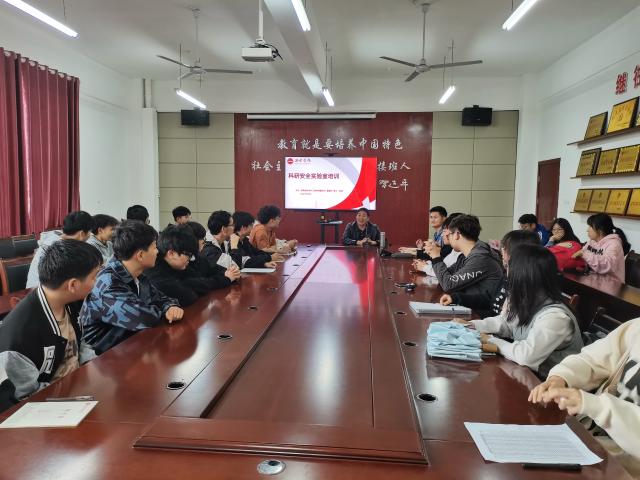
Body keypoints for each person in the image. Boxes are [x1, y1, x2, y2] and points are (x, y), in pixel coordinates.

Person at [529, 318, 640, 478]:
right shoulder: (636, 327)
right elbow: (593, 359)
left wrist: (595, 406)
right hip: (588, 439)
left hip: (624, 468)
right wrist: (561, 377)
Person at [0, 240, 102, 409]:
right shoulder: (19, 337)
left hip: (80, 386)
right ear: (73, 285)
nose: (97, 282)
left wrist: (92, 368)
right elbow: (27, 395)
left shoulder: (72, 300)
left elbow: (82, 342)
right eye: (94, 277)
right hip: (49, 406)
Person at [467, 245, 582, 377]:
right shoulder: (529, 299)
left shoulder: (556, 317)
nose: (506, 273)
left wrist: (491, 340)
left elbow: (526, 356)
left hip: (549, 383)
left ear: (523, 275)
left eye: (509, 267)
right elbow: (507, 324)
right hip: (528, 376)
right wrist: (471, 326)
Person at [80, 221, 183, 355]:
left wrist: (170, 306)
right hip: (99, 356)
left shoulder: (136, 275)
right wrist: (164, 311)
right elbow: (144, 318)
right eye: (154, 247)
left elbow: (160, 298)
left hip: (128, 345)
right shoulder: (109, 283)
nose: (157, 251)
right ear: (140, 255)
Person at [439, 229, 539, 318]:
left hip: (495, 329)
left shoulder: (527, 287)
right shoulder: (508, 277)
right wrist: (455, 298)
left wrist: (475, 324)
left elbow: (506, 324)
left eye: (506, 248)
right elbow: (489, 299)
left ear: (522, 252)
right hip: (488, 323)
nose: (502, 251)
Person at [146, 225, 236, 307]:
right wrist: (224, 279)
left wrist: (187, 284)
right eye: (188, 255)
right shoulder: (154, 268)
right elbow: (188, 296)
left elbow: (197, 278)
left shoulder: (180, 264)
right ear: (171, 253)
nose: (190, 258)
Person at [426, 214, 504, 298]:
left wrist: (436, 257)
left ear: (457, 234)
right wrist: (434, 255)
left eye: (450, 234)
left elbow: (448, 285)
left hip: (479, 306)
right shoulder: (466, 255)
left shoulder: (481, 258)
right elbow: (446, 274)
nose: (448, 237)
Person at [26, 211, 93, 289]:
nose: (90, 236)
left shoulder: (62, 241)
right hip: (40, 290)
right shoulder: (59, 248)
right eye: (90, 232)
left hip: (48, 288)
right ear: (82, 234)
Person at [572, 213, 630, 283]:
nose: (587, 230)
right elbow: (582, 254)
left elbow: (607, 265)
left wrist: (584, 254)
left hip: (610, 284)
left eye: (590, 226)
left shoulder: (614, 244)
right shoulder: (592, 241)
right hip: (593, 280)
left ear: (600, 230)